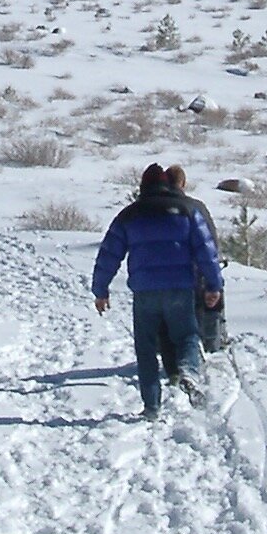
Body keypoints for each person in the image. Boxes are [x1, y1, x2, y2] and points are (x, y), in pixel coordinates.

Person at [92, 164, 224, 418]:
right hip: (180, 288)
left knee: (145, 348)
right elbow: (206, 251)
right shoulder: (187, 211)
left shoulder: (129, 214)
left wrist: (101, 290)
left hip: (145, 293)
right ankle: (189, 371)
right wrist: (213, 284)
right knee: (187, 335)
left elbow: (109, 254)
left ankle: (152, 407)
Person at [164, 165, 228, 354]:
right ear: (183, 183)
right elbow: (211, 243)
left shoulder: (153, 207)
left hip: (164, 276)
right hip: (194, 271)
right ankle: (210, 344)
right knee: (207, 307)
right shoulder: (196, 207)